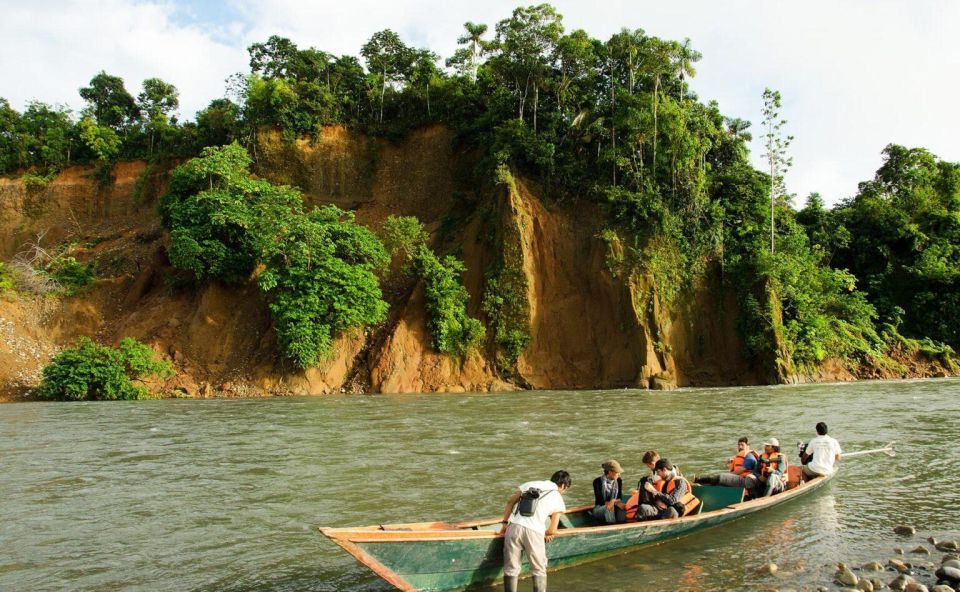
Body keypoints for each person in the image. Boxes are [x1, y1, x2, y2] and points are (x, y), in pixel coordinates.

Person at [498, 470, 571, 592]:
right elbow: (552, 530)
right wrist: (546, 533)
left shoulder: (530, 484)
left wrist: (505, 524)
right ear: (563, 485)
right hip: (534, 532)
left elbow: (510, 502)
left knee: (511, 569)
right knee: (538, 569)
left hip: (514, 528)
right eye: (565, 489)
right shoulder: (557, 497)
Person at [695, 437, 761, 491]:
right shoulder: (738, 456)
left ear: (748, 446)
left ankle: (698, 480)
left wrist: (728, 475)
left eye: (742, 445)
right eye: (738, 445)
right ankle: (700, 486)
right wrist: (729, 465)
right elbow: (734, 470)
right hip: (738, 478)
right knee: (718, 483)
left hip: (744, 480)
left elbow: (742, 469)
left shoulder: (750, 456)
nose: (740, 447)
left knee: (719, 477)